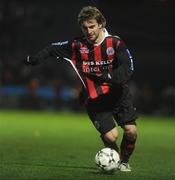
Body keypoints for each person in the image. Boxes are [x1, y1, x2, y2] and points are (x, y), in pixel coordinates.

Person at [24, 6, 137, 172]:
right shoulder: (77, 45)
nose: (88, 31)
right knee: (111, 136)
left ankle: (124, 161)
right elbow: (51, 48)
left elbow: (128, 67)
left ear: (100, 25)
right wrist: (34, 59)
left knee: (131, 131)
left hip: (118, 94)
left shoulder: (115, 42)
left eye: (92, 26)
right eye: (85, 27)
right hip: (94, 98)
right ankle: (114, 158)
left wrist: (109, 77)